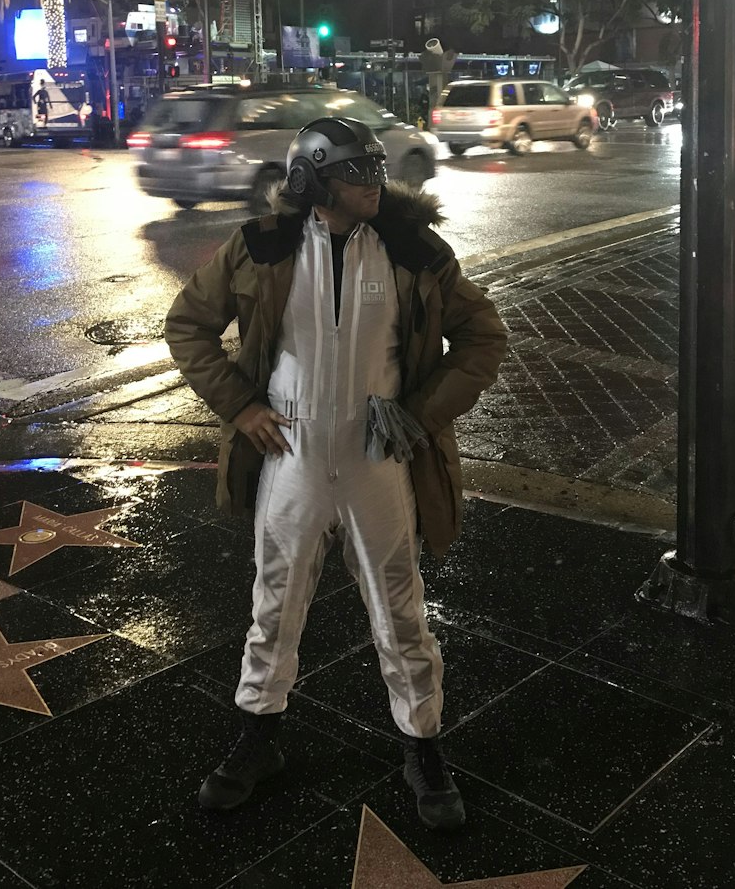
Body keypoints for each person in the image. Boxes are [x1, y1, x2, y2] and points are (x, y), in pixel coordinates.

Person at [165, 118, 506, 830]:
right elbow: (188, 325)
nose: (374, 183)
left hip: (377, 451)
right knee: (274, 600)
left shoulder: (415, 250)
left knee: (399, 603)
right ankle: (258, 737)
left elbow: (483, 335)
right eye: (357, 173)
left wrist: (421, 411)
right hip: (290, 447)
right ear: (314, 180)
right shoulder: (260, 247)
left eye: (377, 169)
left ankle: (423, 743)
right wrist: (241, 405)